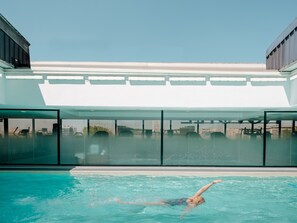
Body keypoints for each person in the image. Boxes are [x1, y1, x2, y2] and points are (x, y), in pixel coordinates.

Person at [116, 179, 222, 219]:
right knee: (149, 204)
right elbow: (186, 210)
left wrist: (212, 183)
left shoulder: (192, 198)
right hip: (170, 205)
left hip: (171, 200)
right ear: (199, 202)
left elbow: (202, 189)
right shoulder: (192, 204)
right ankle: (126, 203)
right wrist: (182, 217)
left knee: (151, 202)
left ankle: (127, 202)